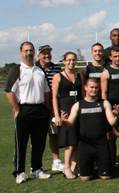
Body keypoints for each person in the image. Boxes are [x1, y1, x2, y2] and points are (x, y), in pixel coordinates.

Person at [6, 41, 52, 183]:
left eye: (31, 50)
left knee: (39, 143)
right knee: (21, 143)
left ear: (34, 53)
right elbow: (9, 92)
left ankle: (36, 169)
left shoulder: (39, 71)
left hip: (40, 110)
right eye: (26, 50)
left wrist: (48, 110)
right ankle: (19, 172)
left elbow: (46, 92)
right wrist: (17, 109)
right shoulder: (17, 70)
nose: (29, 53)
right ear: (21, 52)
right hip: (24, 110)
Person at [61, 78, 119, 181]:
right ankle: (89, 167)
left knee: (105, 177)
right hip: (85, 145)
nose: (94, 90)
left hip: (101, 144)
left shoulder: (105, 103)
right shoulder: (78, 105)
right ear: (86, 88)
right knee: (85, 178)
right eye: (91, 87)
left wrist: (117, 116)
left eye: (96, 87)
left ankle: (99, 167)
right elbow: (70, 123)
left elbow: (112, 123)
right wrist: (64, 121)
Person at [51, 52, 83, 179]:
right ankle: (66, 167)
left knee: (77, 140)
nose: (71, 62)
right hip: (65, 112)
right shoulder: (58, 76)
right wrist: (57, 115)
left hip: (78, 112)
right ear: (64, 61)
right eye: (68, 60)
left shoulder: (79, 75)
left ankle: (74, 166)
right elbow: (54, 98)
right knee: (70, 141)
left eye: (73, 60)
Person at [36, 44, 64, 173]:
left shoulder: (56, 68)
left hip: (52, 107)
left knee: (53, 134)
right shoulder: (34, 68)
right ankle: (36, 164)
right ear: (39, 55)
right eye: (44, 53)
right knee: (37, 136)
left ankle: (56, 161)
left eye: (48, 53)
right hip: (37, 106)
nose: (47, 55)